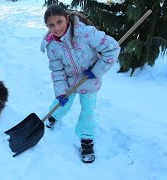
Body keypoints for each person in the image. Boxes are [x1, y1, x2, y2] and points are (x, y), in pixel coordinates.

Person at [40, 5, 120, 163]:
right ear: (47, 27)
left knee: (88, 110)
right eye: (51, 25)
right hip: (69, 81)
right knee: (62, 103)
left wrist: (96, 71)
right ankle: (53, 115)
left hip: (89, 79)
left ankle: (87, 140)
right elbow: (57, 71)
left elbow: (113, 49)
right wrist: (61, 92)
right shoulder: (52, 46)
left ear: (67, 19)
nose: (56, 28)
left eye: (59, 22)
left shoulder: (86, 33)